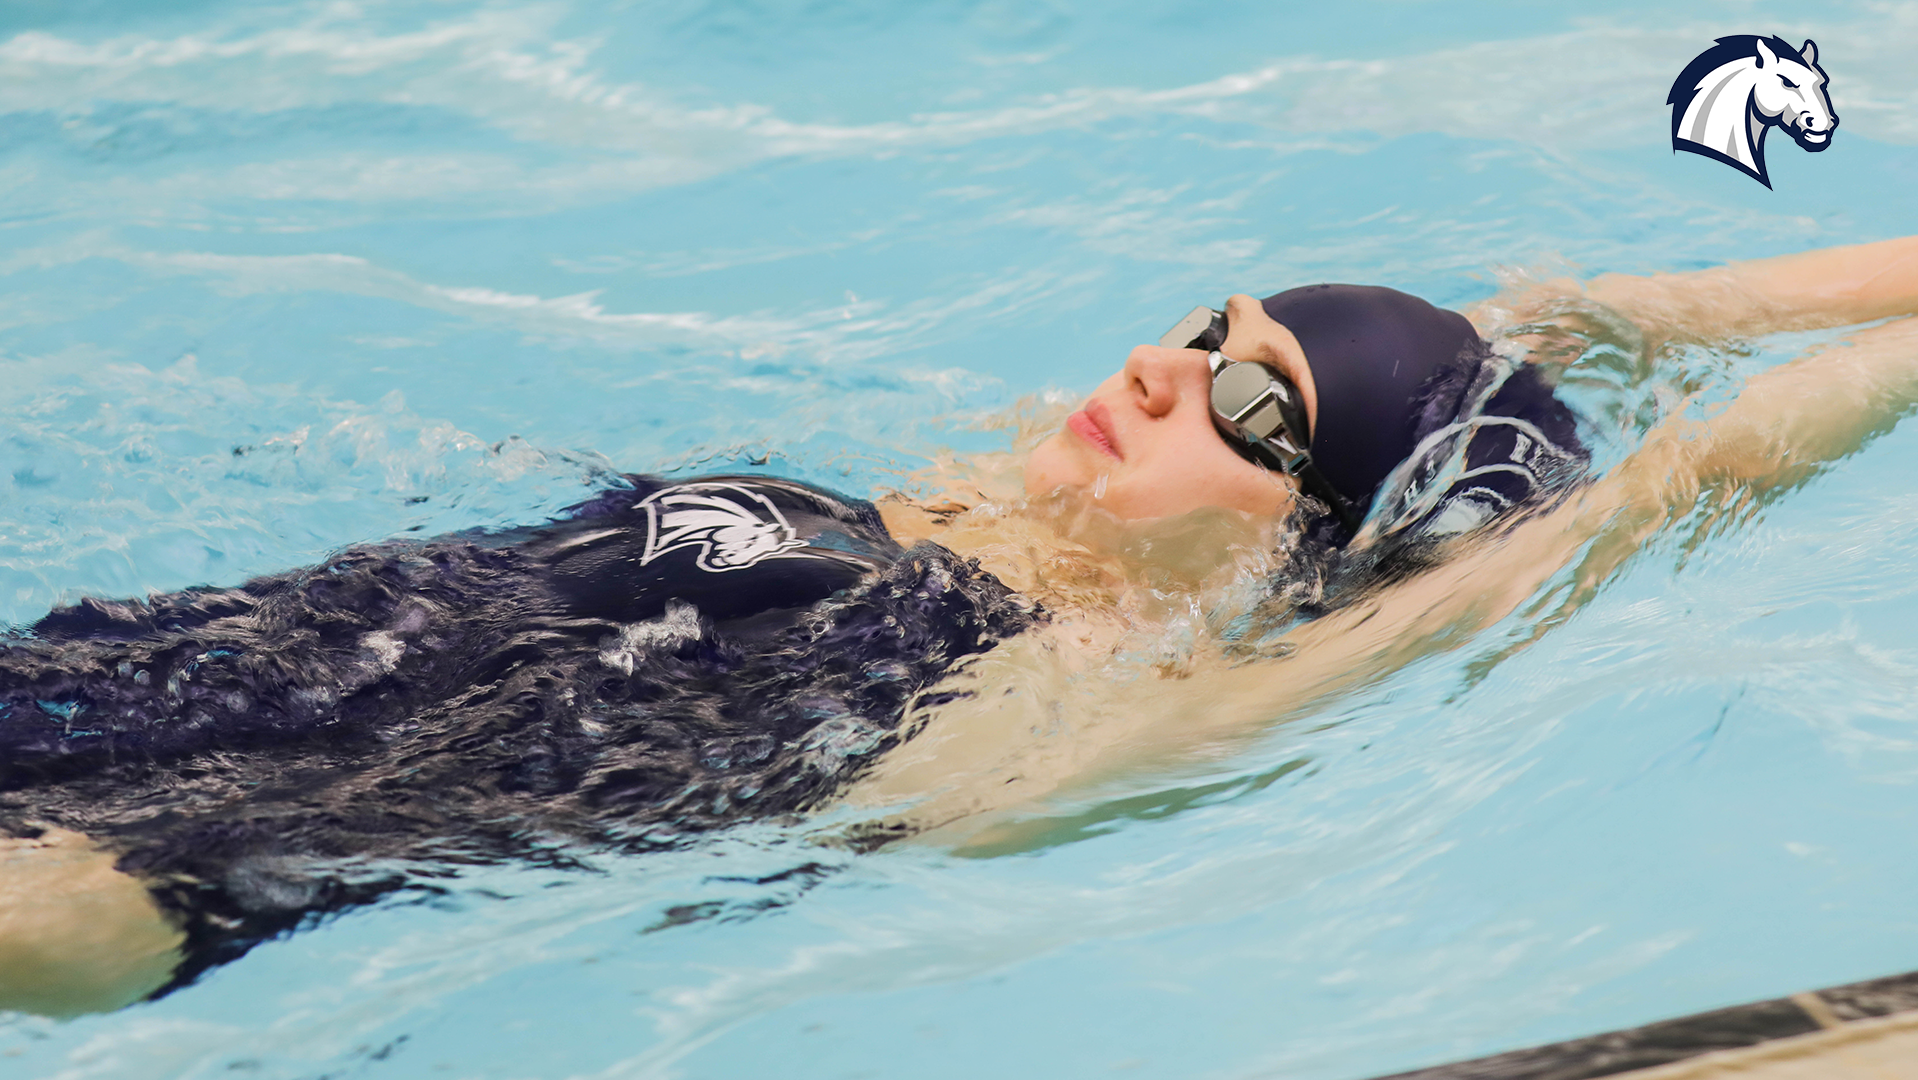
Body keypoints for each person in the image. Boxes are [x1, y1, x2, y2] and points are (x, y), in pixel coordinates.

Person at [4, 233, 1917, 1016]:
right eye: (1199, 336)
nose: (1163, 379)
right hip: (171, 662)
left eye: (1250, 415)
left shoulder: (1080, 690)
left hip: (155, 873)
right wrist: (1653, 310)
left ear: (1310, 552)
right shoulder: (934, 504)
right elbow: (1564, 314)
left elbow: (1686, 474)